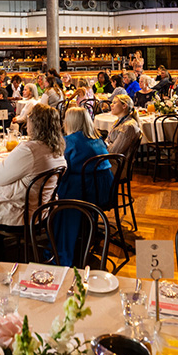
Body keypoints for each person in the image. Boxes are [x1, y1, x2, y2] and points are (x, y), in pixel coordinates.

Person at [0, 104, 66, 225]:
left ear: (35, 124)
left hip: (18, 213)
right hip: (42, 210)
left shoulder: (29, 150)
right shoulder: (57, 149)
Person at [55, 106, 112, 265]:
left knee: (58, 193)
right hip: (106, 187)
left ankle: (63, 248)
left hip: (87, 190)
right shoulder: (97, 138)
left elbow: (63, 168)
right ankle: (85, 233)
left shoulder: (69, 141)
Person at [105, 93, 141, 159]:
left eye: (114, 103)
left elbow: (115, 151)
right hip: (111, 159)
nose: (111, 105)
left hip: (116, 163)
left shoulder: (128, 126)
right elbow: (108, 141)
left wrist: (101, 149)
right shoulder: (118, 121)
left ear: (124, 106)